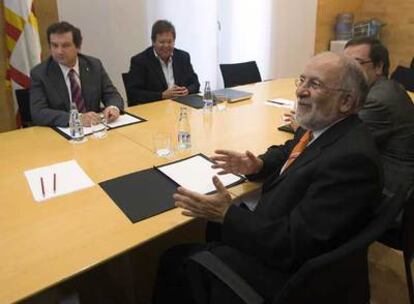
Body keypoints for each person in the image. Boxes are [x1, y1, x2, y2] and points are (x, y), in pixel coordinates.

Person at [152, 52, 383, 303]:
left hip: (289, 279)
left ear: (346, 101)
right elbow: (289, 151)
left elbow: (291, 245)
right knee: (213, 231)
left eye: (314, 84)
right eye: (302, 80)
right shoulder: (325, 127)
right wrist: (258, 164)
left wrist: (226, 214)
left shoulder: (351, 161)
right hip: (279, 227)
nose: (301, 91)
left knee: (174, 259)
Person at [344, 37, 414, 193]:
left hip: (388, 188)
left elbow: (342, 140)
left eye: (356, 64)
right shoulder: (381, 87)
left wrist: (311, 124)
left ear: (379, 67)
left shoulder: (378, 100)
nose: (347, 71)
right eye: (345, 64)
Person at [30, 21, 124, 127]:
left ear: (78, 47)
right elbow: (38, 113)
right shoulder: (40, 73)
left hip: (95, 129)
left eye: (65, 46)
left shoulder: (94, 65)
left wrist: (113, 108)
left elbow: (112, 94)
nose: (59, 51)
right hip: (63, 133)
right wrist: (77, 118)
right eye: (54, 45)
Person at [126, 20, 200, 105]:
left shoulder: (183, 57)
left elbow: (195, 83)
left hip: (180, 106)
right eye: (162, 42)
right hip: (154, 109)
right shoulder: (140, 61)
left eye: (169, 42)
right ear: (153, 42)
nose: (166, 46)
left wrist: (187, 91)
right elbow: (133, 93)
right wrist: (162, 95)